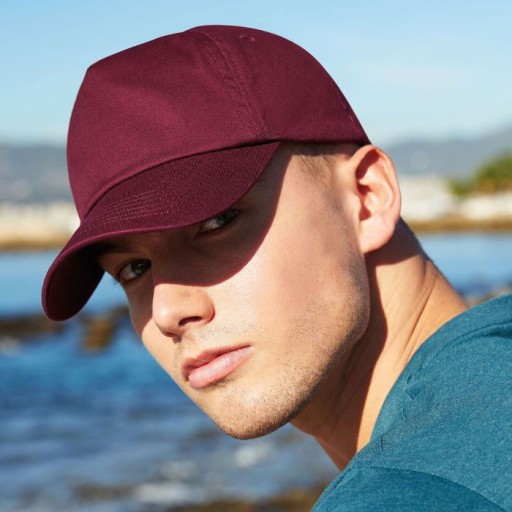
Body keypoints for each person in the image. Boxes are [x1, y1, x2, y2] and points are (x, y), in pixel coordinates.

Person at [42, 25, 511, 510]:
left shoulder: (409, 492)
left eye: (218, 222)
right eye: (134, 269)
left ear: (367, 198)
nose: (166, 311)